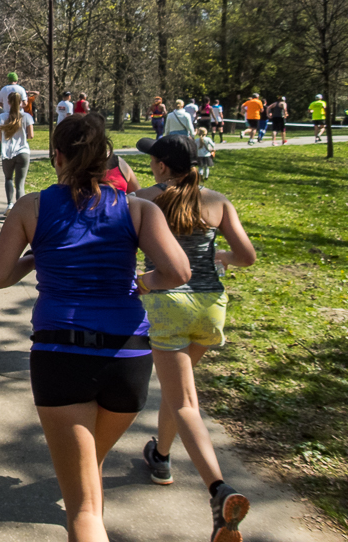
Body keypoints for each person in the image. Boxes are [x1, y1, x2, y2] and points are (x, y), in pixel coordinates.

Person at [0, 116, 190, 542]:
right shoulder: (138, 209)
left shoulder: (31, 208)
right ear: (106, 157)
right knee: (88, 469)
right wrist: (142, 282)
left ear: (55, 156)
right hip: (128, 359)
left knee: (83, 513)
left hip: (62, 356)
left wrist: (38, 255)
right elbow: (179, 271)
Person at [134, 135, 256, 542]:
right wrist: (221, 257)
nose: (151, 166)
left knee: (184, 400)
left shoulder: (148, 199)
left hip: (167, 303)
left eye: (153, 160)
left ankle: (219, 492)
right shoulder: (218, 201)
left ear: (164, 166)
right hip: (209, 307)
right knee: (178, 390)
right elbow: (247, 256)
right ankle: (162, 458)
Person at [0, 91, 34, 212]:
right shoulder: (27, 117)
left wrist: (4, 141)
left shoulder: (2, 117)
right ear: (22, 102)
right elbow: (31, 135)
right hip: (23, 151)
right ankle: (20, 209)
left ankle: (9, 204)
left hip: (7, 152)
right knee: (20, 183)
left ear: (8, 102)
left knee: (8, 179)